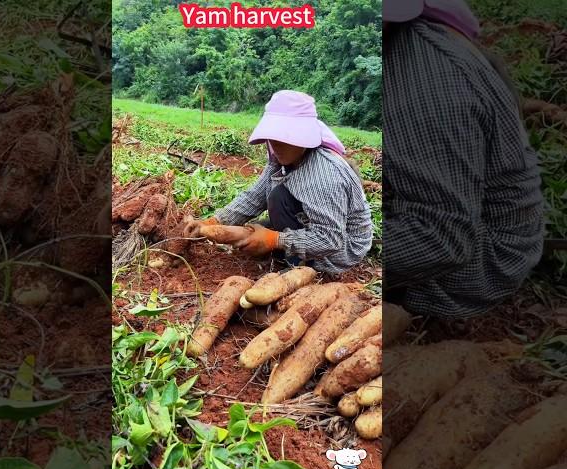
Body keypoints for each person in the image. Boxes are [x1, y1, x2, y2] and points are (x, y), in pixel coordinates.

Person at [383, 0, 544, 318]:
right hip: (464, 221)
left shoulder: (421, 85)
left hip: (481, 262)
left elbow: (443, 238)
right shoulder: (404, 43)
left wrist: (326, 247)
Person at [184, 90, 372, 274]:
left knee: (278, 198)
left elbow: (331, 240)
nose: (276, 145)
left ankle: (304, 266)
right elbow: (255, 197)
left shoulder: (324, 174)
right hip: (310, 222)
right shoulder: (283, 158)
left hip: (340, 251)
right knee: (257, 225)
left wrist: (275, 240)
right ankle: (285, 246)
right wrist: (213, 221)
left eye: (284, 138)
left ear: (304, 136)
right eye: (273, 138)